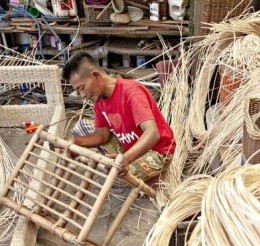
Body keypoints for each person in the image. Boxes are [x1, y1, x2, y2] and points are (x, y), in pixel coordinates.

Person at [62, 51, 176, 183]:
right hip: (130, 146)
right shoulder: (99, 100)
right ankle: (133, 165)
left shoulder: (131, 92)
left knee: (115, 176)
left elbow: (153, 133)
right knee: (81, 127)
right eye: (78, 90)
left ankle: (155, 179)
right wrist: (75, 143)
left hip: (157, 151)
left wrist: (125, 159)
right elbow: (101, 135)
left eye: (82, 88)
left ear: (96, 76)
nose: (82, 95)